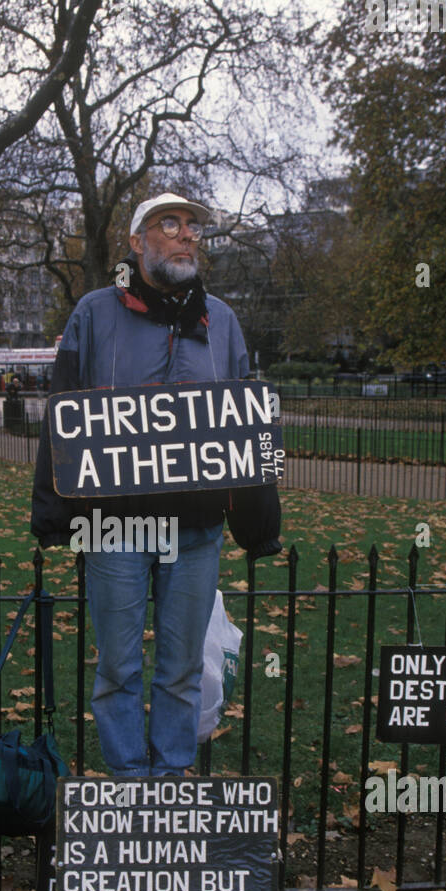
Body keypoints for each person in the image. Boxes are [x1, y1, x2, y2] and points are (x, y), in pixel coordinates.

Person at [30, 192, 282, 780]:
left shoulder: (221, 320)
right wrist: (54, 517)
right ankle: (128, 780)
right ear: (136, 240)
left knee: (182, 668)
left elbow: (247, 424)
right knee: (118, 667)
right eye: (169, 223)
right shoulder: (93, 313)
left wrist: (258, 523)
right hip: (116, 527)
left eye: (193, 225)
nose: (186, 234)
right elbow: (63, 415)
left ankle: (168, 777)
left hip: (196, 529)